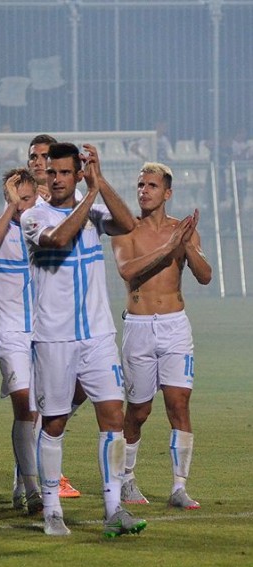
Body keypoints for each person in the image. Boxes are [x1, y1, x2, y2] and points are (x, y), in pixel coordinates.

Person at [20, 142, 145, 538]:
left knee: (112, 416)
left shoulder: (94, 209)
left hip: (97, 334)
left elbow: (128, 225)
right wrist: (89, 194)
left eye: (63, 172)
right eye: (50, 172)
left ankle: (113, 509)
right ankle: (52, 509)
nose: (54, 179)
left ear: (76, 173)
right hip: (54, 338)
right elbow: (57, 240)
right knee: (54, 421)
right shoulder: (33, 215)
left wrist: (100, 182)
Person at [111, 162, 212, 510]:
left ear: (167, 193)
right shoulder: (126, 229)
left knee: (179, 404)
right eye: (140, 185)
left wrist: (185, 246)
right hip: (138, 327)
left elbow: (205, 275)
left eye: (152, 186)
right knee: (138, 411)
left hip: (175, 327)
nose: (144, 191)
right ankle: (125, 479)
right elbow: (128, 270)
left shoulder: (180, 230)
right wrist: (169, 248)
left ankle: (179, 487)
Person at [0, 168, 43, 514]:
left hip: (44, 332)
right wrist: (11, 208)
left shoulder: (43, 228)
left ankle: (22, 478)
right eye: (15, 199)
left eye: (27, 199)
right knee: (24, 406)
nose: (22, 206)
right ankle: (33, 489)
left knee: (40, 412)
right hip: (10, 333)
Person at [25, 134, 83, 500]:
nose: (40, 164)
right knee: (28, 406)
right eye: (35, 158)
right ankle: (35, 483)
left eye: (46, 158)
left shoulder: (71, 203)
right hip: (23, 318)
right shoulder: (26, 206)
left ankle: (35, 475)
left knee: (63, 400)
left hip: (67, 317)